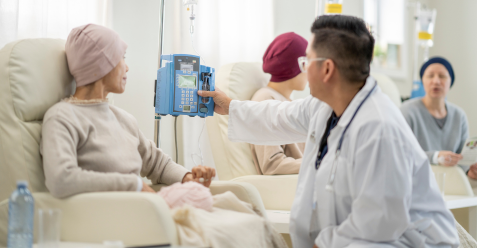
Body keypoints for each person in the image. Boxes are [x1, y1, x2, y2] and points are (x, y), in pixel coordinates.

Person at [199, 15, 458, 248]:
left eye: (306, 61)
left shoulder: (379, 129)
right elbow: (277, 116)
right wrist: (230, 107)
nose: (303, 69)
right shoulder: (326, 106)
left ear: (327, 69)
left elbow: (380, 222)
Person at [41, 24, 215, 198]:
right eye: (121, 58)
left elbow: (157, 165)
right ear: (101, 63)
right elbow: (62, 180)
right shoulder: (61, 117)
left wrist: (189, 178)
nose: (127, 67)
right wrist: (134, 185)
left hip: (142, 211)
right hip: (115, 218)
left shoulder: (124, 119)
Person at [250, 32, 307, 175]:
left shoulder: (287, 102)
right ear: (293, 67)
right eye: (307, 64)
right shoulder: (265, 100)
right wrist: (320, 164)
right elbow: (273, 165)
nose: (311, 71)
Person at [400, 58, 470, 170]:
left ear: (450, 81)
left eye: (442, 76)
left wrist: (469, 171)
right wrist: (435, 157)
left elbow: (463, 161)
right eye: (430, 76)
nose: (436, 81)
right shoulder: (407, 111)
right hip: (417, 180)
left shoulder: (459, 116)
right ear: (422, 80)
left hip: (453, 181)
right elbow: (401, 154)